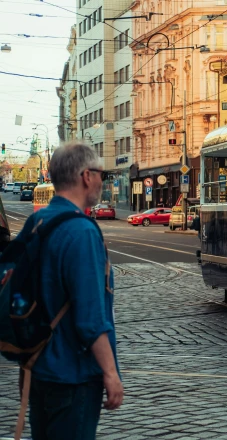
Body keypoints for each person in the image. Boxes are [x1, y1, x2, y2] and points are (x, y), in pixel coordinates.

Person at [15, 142, 122, 439]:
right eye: (101, 173)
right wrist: (111, 373)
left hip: (36, 365)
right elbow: (90, 317)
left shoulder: (37, 221)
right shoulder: (82, 231)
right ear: (87, 176)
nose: (102, 180)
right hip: (73, 374)